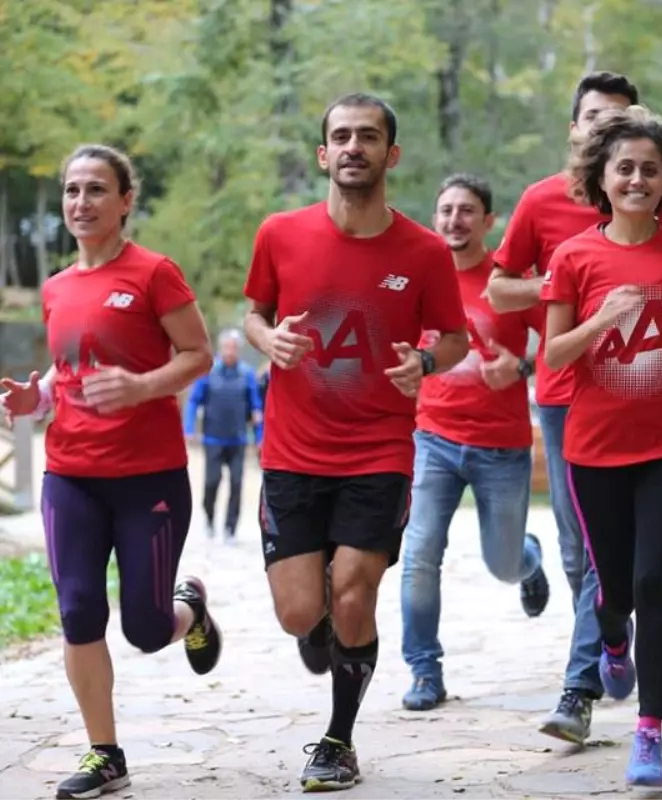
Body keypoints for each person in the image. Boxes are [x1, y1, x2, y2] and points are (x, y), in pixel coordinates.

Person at [242, 92, 469, 792]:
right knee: (299, 612)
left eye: (367, 137)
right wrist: (267, 338)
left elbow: (456, 339)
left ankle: (338, 740)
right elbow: (252, 311)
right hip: (291, 452)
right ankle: (320, 636)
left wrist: (425, 363)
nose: (353, 147)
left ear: (390, 154)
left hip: (378, 450)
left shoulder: (425, 251)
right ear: (323, 153)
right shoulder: (280, 233)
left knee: (351, 597)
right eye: (340, 136)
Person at [0, 144, 222, 800]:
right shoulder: (56, 287)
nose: (80, 203)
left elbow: (199, 355)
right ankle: (106, 755)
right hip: (70, 475)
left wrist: (143, 386)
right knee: (76, 611)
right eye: (72, 190)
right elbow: (66, 379)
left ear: (126, 201)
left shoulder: (155, 274)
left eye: (96, 190)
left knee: (147, 631)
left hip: (148, 477)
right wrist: (31, 402)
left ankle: (191, 607)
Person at [485, 69, 662, 745]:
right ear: (576, 131)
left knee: (635, 571)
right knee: (586, 562)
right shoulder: (542, 201)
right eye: (597, 120)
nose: (610, 129)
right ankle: (609, 645)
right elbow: (497, 290)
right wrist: (571, 292)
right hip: (565, 399)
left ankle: (577, 692)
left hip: (654, 409)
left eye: (622, 117)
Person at [542, 104, 662, 787]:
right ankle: (612, 641)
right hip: (594, 447)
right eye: (626, 168)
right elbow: (553, 357)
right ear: (602, 178)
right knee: (613, 590)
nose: (638, 179)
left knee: (655, 582)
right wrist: (602, 320)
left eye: (651, 169)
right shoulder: (575, 256)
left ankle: (649, 734)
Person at [399, 173, 549, 711]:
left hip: (500, 446)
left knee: (502, 563)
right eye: (445, 210)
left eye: (466, 211)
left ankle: (529, 562)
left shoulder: (509, 282)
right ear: (434, 217)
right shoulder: (418, 277)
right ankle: (424, 670)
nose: (454, 220)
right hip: (432, 439)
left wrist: (523, 366)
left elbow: (562, 336)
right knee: (419, 554)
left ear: (488, 223)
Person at [183, 328, 264, 542]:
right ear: (221, 348)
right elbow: (193, 401)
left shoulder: (247, 375)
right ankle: (209, 519)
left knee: (237, 484)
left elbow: (256, 409)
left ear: (238, 350)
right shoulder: (208, 373)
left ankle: (230, 528)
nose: (230, 351)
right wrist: (189, 429)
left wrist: (260, 437)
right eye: (227, 347)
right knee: (211, 482)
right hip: (213, 439)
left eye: (234, 347)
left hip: (238, 440)